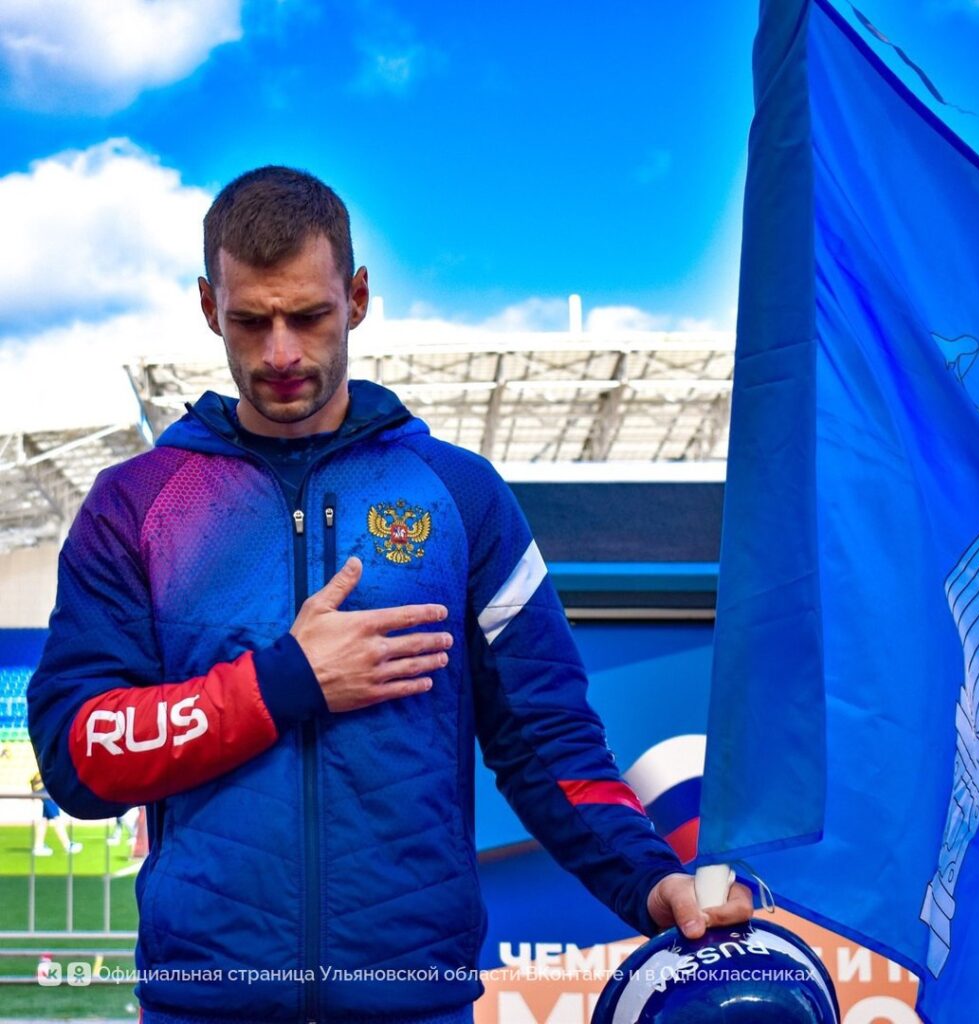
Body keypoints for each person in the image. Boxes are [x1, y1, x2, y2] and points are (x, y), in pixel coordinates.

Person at [27, 166, 752, 1024]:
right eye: (252, 320)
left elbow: (547, 742)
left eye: (309, 315)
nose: (280, 353)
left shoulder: (462, 497)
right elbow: (77, 755)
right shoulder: (137, 504)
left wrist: (650, 878)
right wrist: (284, 681)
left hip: (414, 1003)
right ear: (209, 307)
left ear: (359, 297)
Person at [29, 770, 82, 856]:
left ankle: (38, 846)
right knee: (57, 818)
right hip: (46, 789)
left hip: (44, 787)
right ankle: (67, 845)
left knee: (45, 819)